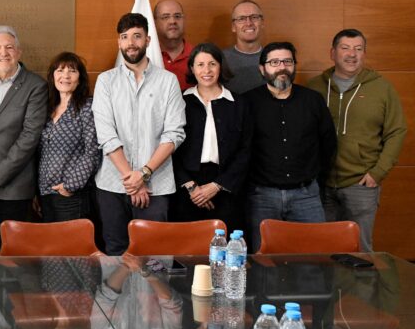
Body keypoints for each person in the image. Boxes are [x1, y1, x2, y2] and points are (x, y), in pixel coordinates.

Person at [93, 13, 186, 255]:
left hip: (156, 185)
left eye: (137, 36)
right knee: (116, 252)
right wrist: (132, 180)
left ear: (148, 40)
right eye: (125, 37)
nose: (131, 43)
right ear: (119, 42)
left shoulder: (168, 81)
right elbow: (106, 135)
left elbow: (174, 134)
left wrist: (144, 174)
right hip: (113, 184)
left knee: (153, 256)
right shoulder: (105, 81)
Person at [306, 29, 407, 252]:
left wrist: (378, 173)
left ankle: (362, 278)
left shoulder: (381, 88)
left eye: (358, 49)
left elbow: (397, 131)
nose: (352, 54)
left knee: (360, 251)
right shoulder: (314, 87)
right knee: (322, 250)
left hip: (361, 184)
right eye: (345, 48)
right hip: (320, 184)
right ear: (332, 53)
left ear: (364, 54)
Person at [246, 41, 337, 250]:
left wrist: (315, 178)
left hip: (306, 195)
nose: (282, 67)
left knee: (313, 258)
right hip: (262, 196)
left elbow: (328, 144)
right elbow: (242, 148)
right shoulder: (248, 102)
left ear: (295, 65)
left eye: (287, 61)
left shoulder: (313, 100)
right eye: (274, 62)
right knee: (263, 259)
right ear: (262, 68)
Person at [0, 26, 47, 254]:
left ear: (18, 52)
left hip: (14, 185)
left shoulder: (36, 85)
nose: (3, 53)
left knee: (11, 254)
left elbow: (29, 137)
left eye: (9, 47)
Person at [173, 43, 252, 231]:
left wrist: (217, 185)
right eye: (200, 65)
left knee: (225, 243)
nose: (206, 70)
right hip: (186, 186)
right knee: (187, 243)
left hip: (227, 185)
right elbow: (170, 146)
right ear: (192, 68)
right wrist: (192, 187)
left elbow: (246, 150)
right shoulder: (179, 101)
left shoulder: (239, 103)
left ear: (220, 67)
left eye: (212, 64)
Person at [36, 52, 100, 222]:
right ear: (53, 76)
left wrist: (70, 186)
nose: (65, 76)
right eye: (60, 70)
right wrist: (37, 191)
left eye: (72, 71)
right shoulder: (47, 108)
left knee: (71, 240)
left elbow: (93, 151)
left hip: (72, 195)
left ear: (80, 78)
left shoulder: (87, 107)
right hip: (45, 193)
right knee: (50, 239)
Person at [222, 0, 267, 95]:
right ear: (233, 26)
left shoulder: (274, 59)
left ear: (262, 23)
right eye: (241, 19)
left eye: (254, 17)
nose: (249, 23)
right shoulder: (220, 59)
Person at [154, 0, 194, 91]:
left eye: (177, 16)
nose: (172, 21)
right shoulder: (146, 58)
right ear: (154, 23)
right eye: (165, 17)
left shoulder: (199, 57)